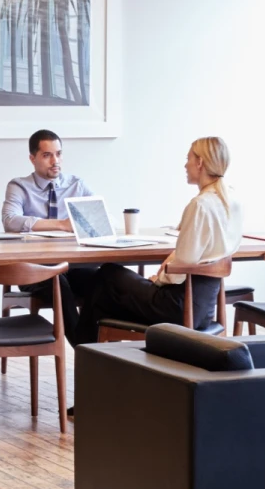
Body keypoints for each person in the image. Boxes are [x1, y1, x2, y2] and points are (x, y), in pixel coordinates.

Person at [71, 137, 242, 353]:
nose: (185, 165)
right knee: (104, 298)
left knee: (107, 273)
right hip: (204, 309)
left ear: (200, 163)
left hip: (178, 308)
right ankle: (94, 351)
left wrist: (159, 279)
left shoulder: (200, 205)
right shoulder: (231, 200)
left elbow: (183, 264)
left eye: (188, 158)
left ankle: (82, 348)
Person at [1, 129, 96, 309]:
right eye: (47, 155)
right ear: (32, 158)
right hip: (34, 268)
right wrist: (61, 225)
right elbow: (10, 221)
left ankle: (93, 336)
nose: (55, 161)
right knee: (57, 282)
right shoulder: (19, 186)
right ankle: (81, 338)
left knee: (104, 279)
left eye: (58, 154)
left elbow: (101, 219)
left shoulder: (76, 185)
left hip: (72, 265)